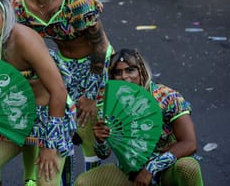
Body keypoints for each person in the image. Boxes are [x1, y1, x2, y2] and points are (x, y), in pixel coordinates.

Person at [14, 0, 112, 185]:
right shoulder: (20, 4)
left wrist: (90, 94)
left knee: (90, 130)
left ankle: (93, 179)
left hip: (94, 65)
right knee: (63, 127)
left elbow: (100, 47)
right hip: (63, 68)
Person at [0, 0, 76, 186]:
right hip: (13, 118)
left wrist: (50, 145)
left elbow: (58, 90)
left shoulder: (23, 39)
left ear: (4, 11)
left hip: (49, 117)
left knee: (46, 183)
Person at [75, 49, 203, 186]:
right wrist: (100, 141)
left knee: (188, 168)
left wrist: (151, 169)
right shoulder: (110, 104)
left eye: (130, 70)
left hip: (168, 167)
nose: (124, 76)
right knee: (84, 183)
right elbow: (104, 154)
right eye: (118, 72)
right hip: (129, 171)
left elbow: (189, 143)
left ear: (142, 72)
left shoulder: (167, 97)